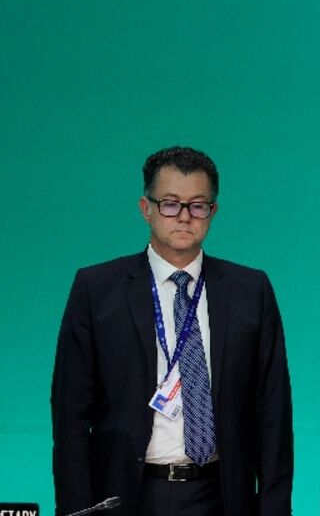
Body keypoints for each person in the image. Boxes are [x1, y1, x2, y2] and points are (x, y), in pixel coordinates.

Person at [51, 146, 292, 516]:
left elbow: (273, 414)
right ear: (145, 209)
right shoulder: (97, 289)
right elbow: (70, 415)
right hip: (127, 496)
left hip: (223, 494)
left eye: (198, 205)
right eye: (170, 203)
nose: (184, 217)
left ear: (213, 212)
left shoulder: (250, 290)